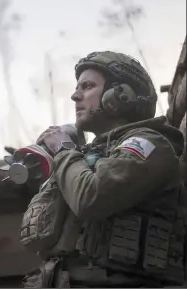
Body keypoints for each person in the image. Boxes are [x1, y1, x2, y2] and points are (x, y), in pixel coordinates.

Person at [21, 51, 186, 287]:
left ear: (121, 96)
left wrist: (64, 150)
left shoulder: (150, 144)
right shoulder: (85, 155)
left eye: (87, 86)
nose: (75, 96)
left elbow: (91, 197)